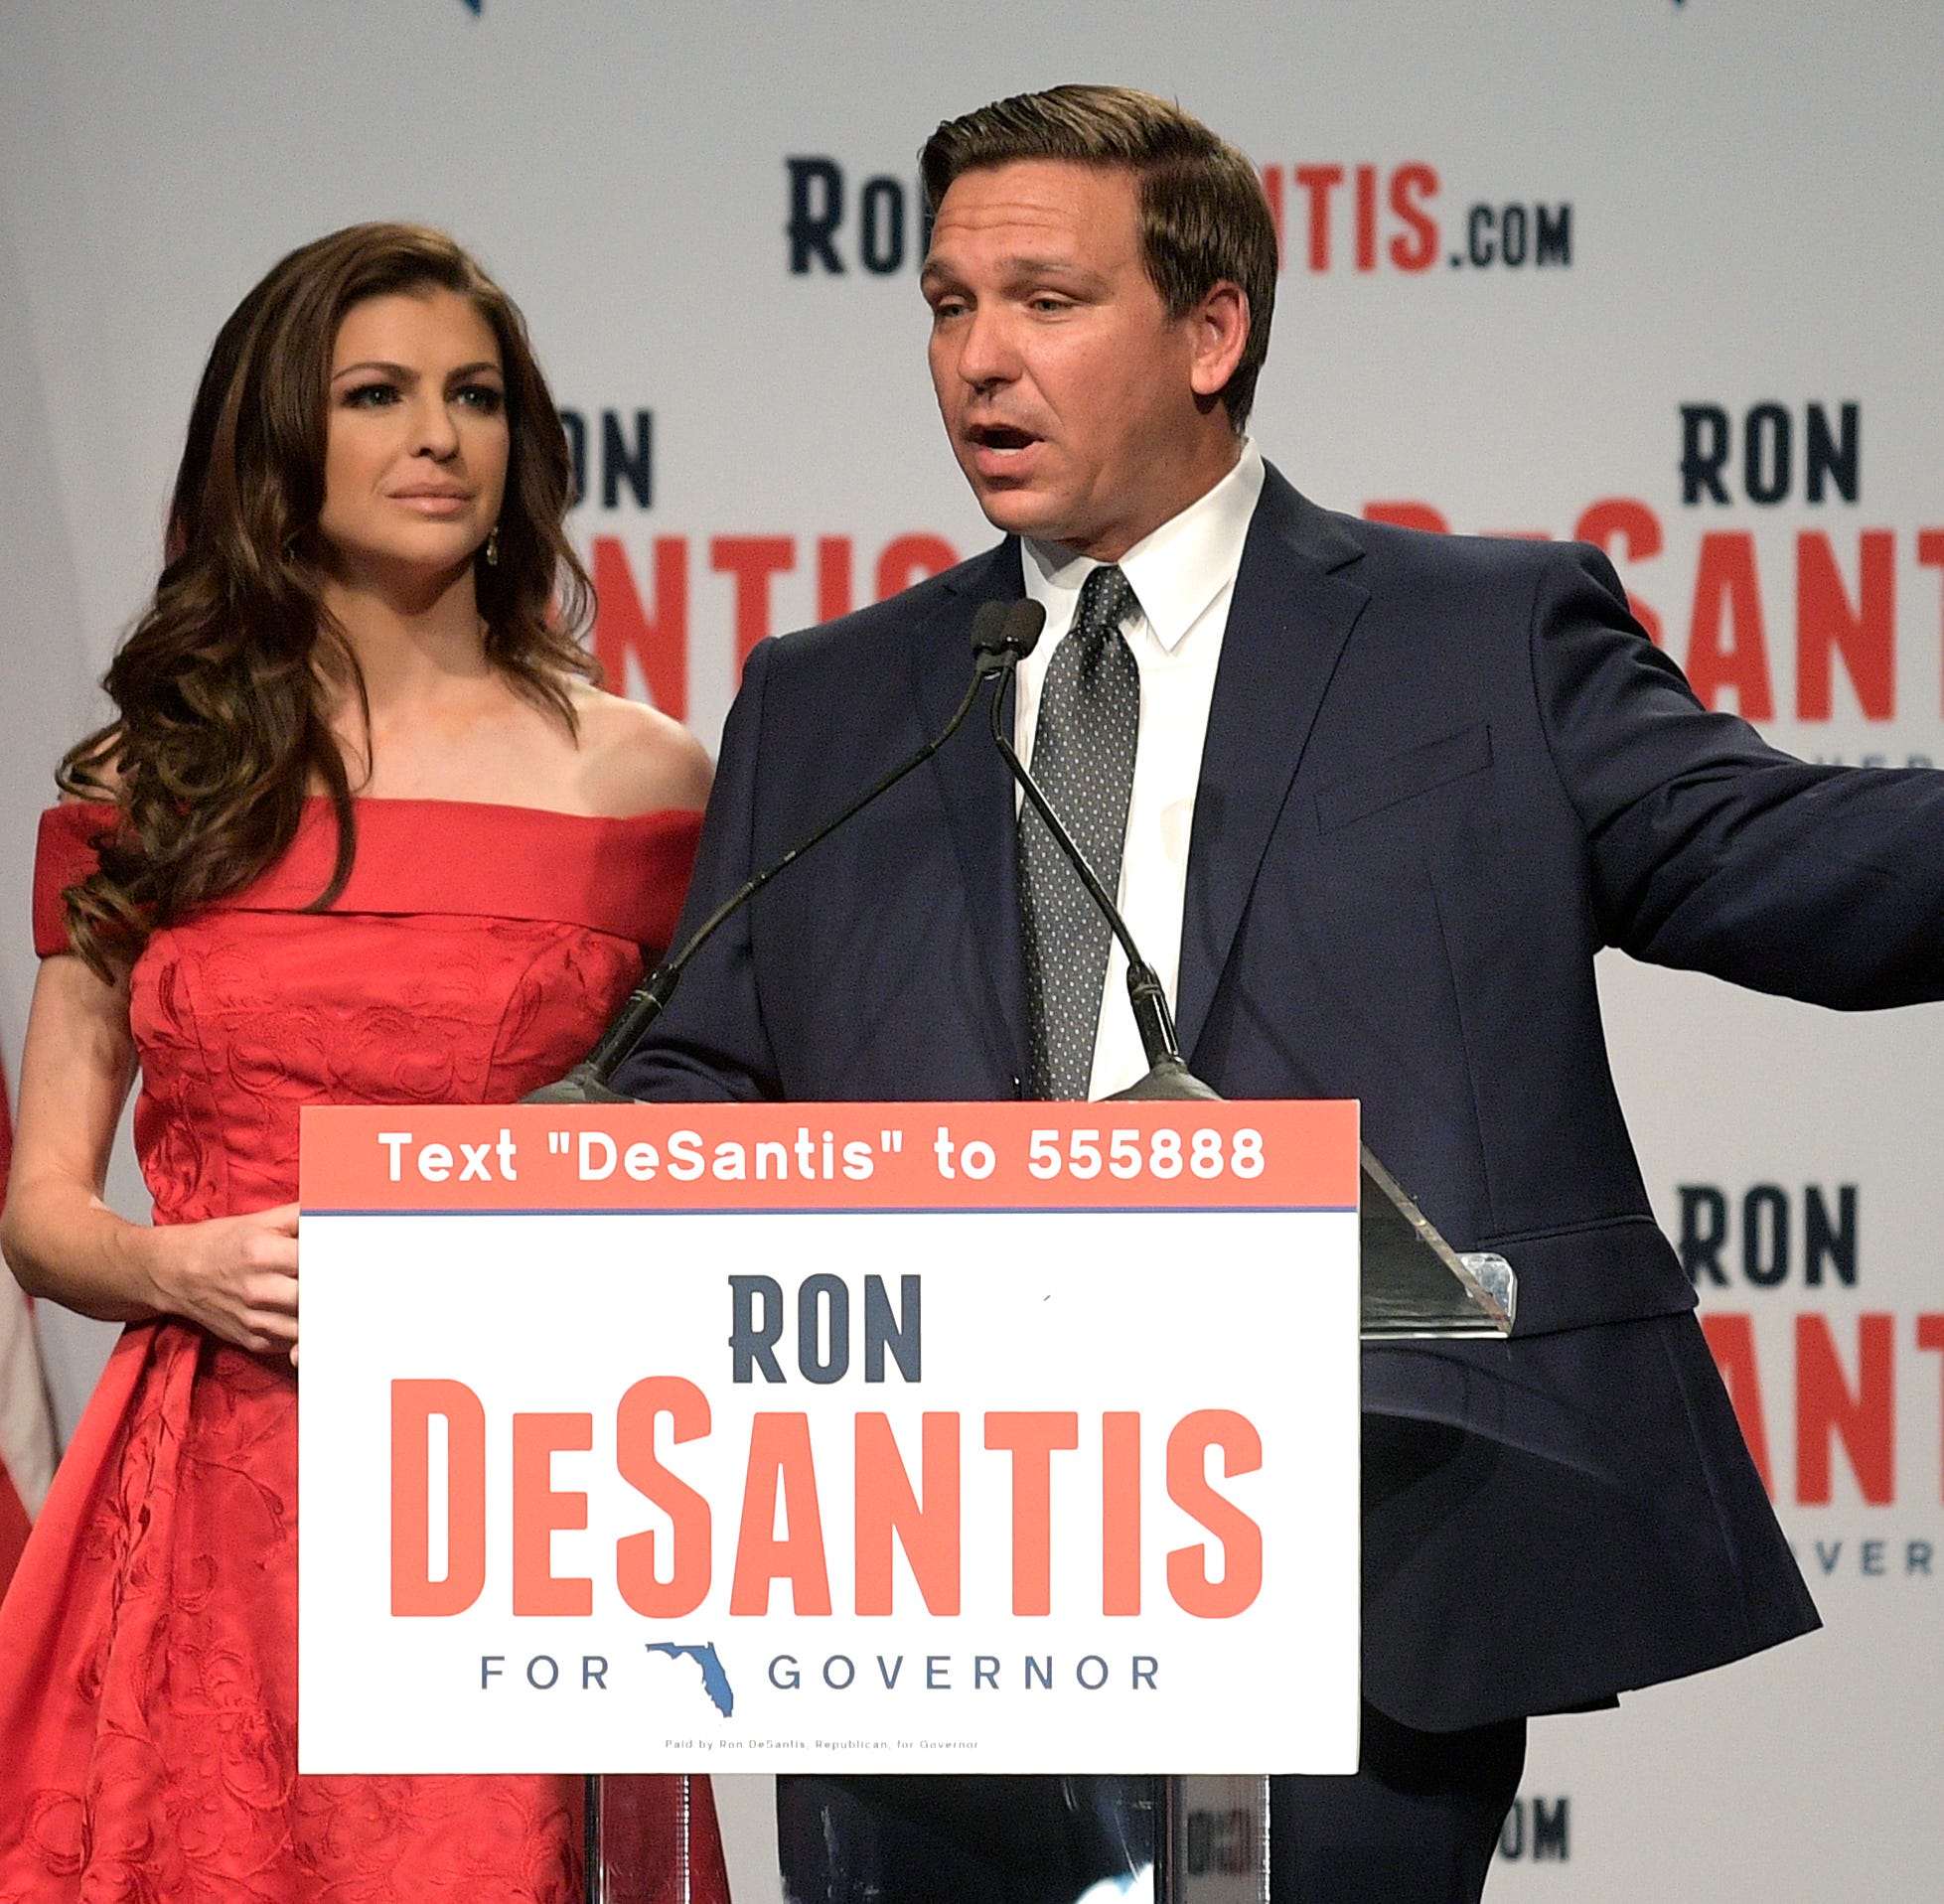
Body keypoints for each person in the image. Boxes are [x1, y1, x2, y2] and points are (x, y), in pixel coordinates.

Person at [609, 85, 1944, 1904]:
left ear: (1212, 329)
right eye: (945, 306)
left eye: (1044, 301)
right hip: (908, 1567)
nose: (978, 361)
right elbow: (704, 1067)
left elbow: (1779, 860)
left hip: (1344, 1543)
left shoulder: (1475, 634)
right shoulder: (828, 697)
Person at [0, 222, 729, 1901]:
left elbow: (704, 1144)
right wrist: (169, 1263)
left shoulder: (644, 778)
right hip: (213, 1492)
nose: (437, 437)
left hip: (519, 1487)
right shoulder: (155, 774)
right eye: (378, 395)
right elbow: (41, 1210)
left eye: (474, 396)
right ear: (278, 442)